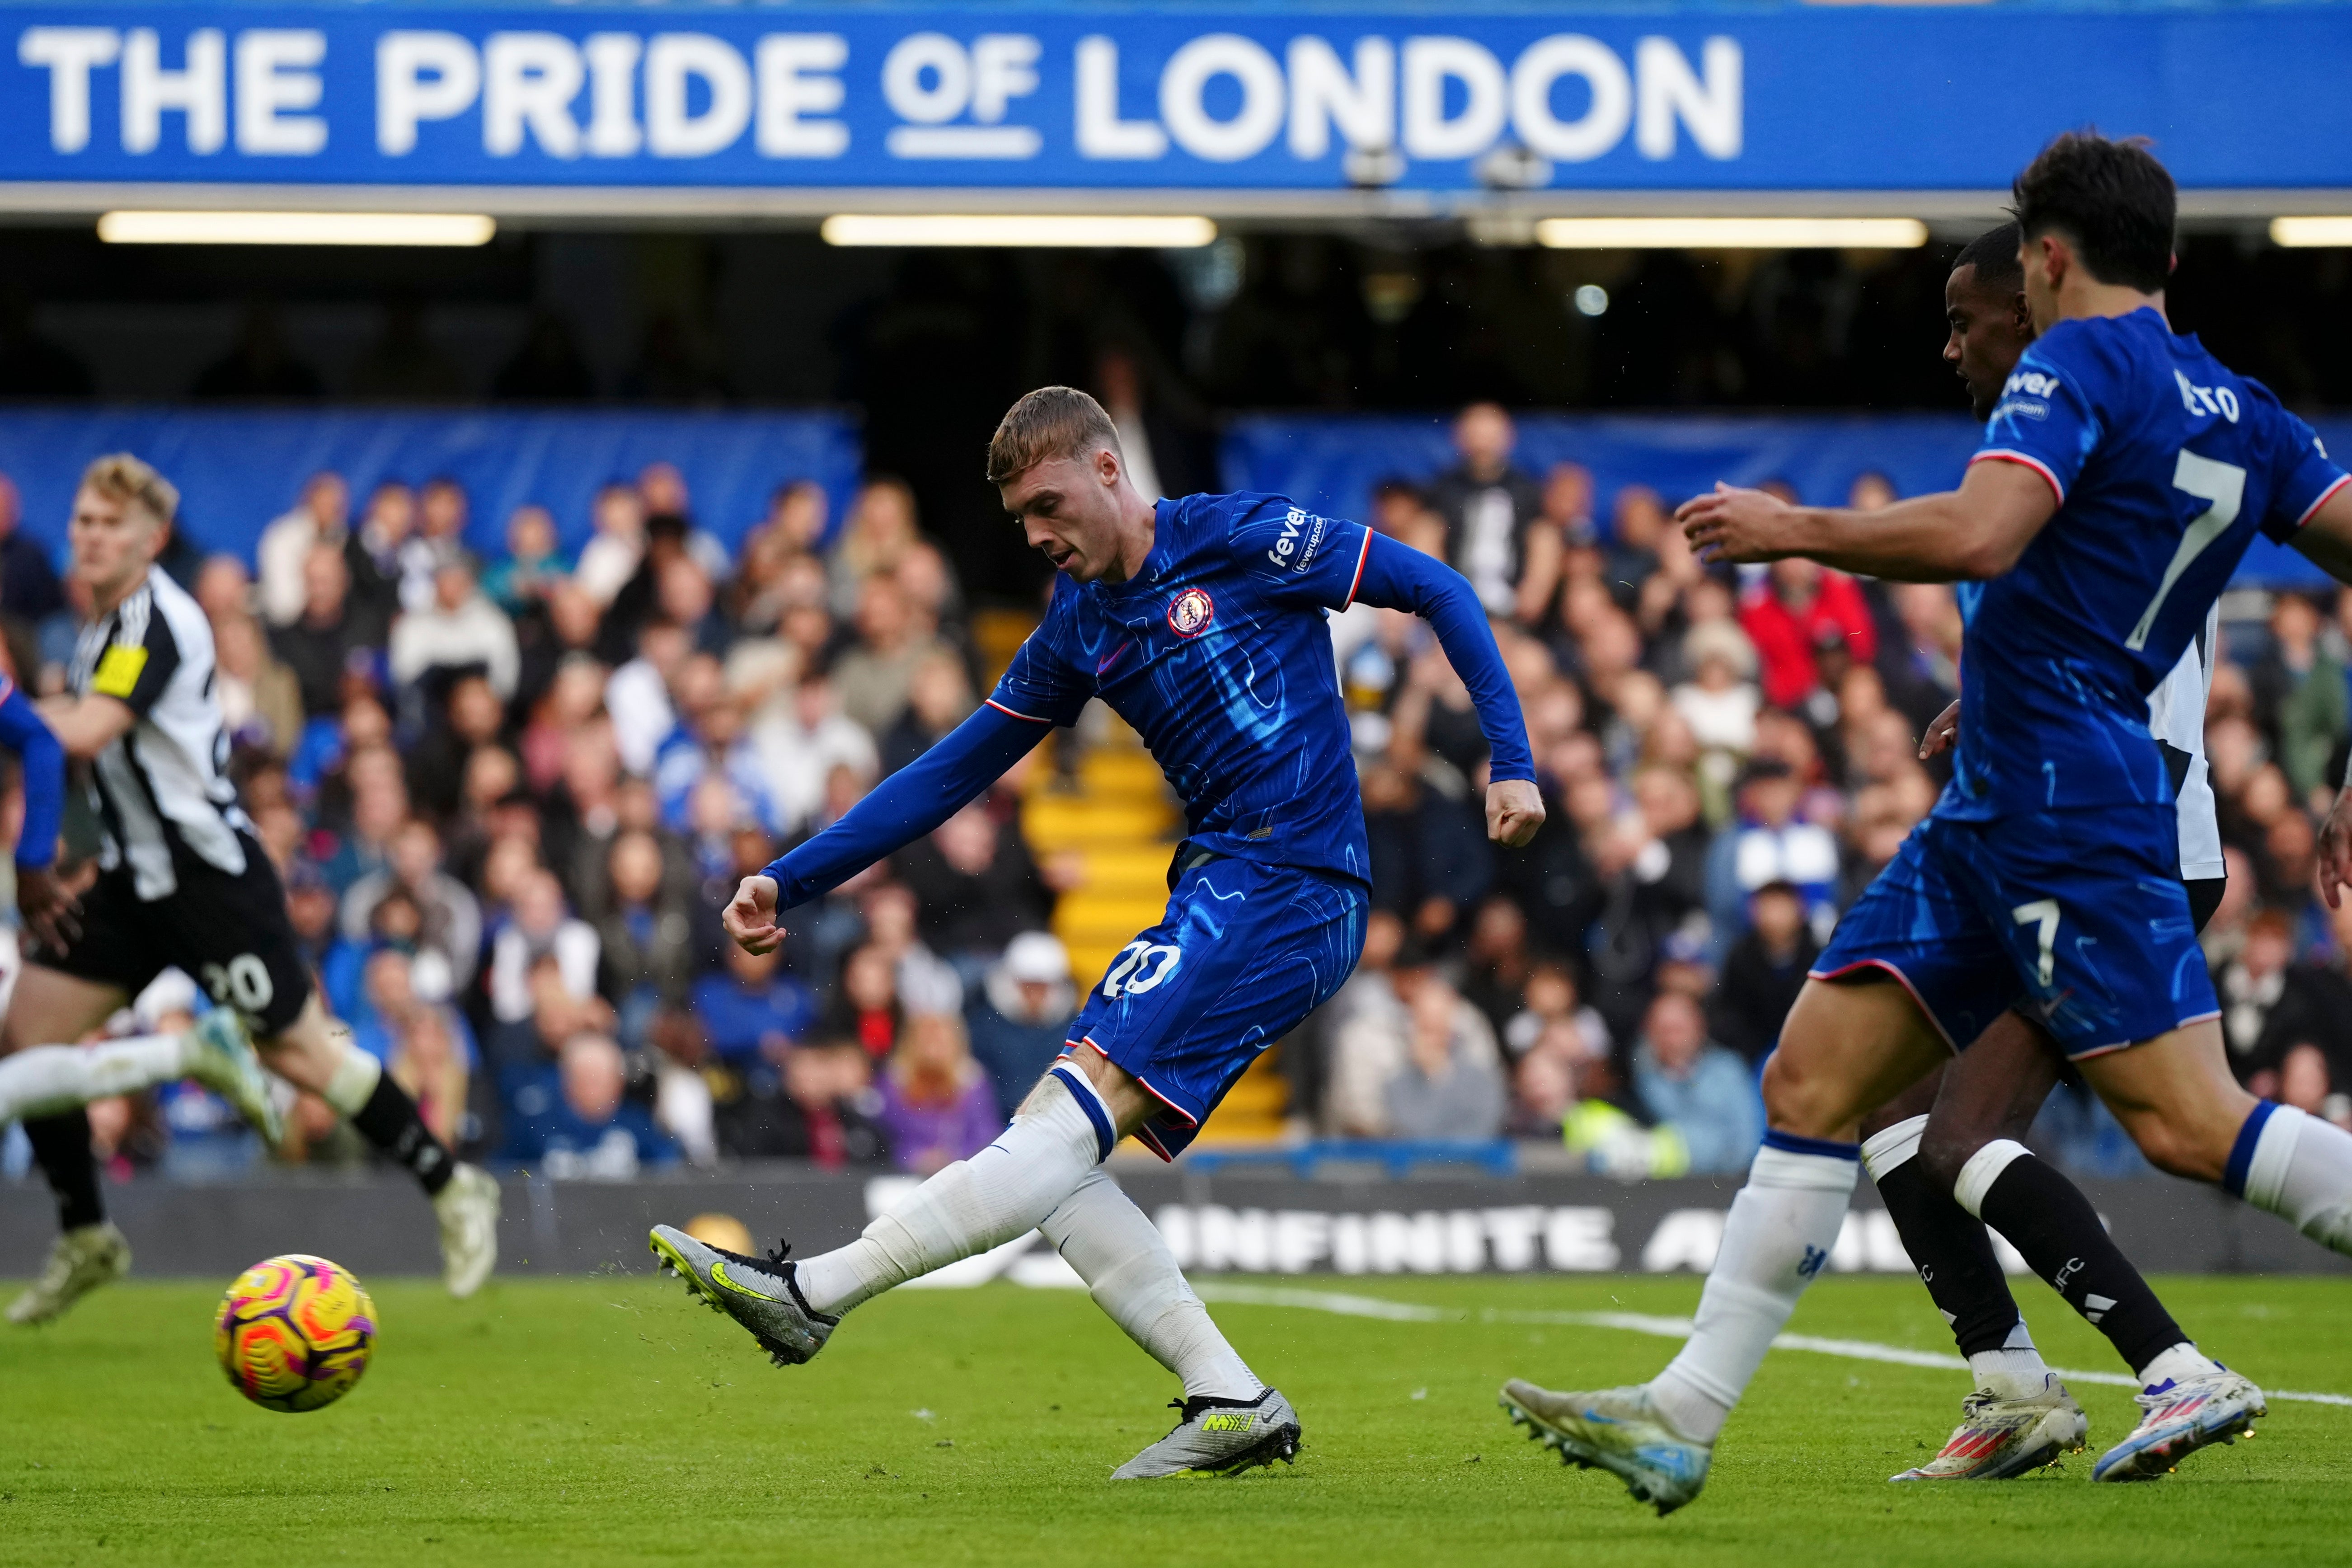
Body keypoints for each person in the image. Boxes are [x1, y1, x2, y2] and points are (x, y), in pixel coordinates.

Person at [1502, 134, 2352, 1512]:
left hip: (2067, 795)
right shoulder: (2246, 412)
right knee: (1813, 1078)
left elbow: (1978, 533)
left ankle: (2112, 1366)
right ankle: (1681, 1411)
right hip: (1999, 795)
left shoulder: (2071, 362)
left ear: (2048, 259)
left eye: (2012, 263)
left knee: (2192, 1124)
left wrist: (1793, 526)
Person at [649, 384, 1541, 1479]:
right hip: (1222, 885)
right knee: (1056, 1148)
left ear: (1110, 471)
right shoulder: (1078, 628)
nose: (1037, 535)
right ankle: (1231, 1395)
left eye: (1048, 503)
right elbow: (953, 771)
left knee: (1061, 1125)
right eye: (1020, 521)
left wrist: (1511, 756)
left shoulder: (1246, 539)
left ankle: (810, 1295)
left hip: (1297, 883)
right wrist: (790, 879)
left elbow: (1437, 587)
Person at [1, 455, 500, 1327]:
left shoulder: (158, 621)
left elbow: (83, 731)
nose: (86, 535)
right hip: (130, 880)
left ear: (153, 539)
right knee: (25, 1036)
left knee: (302, 1055)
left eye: (108, 524)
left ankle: (453, 1184)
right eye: (80, 520)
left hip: (210, 883)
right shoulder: (96, 624)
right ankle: (86, 1234)